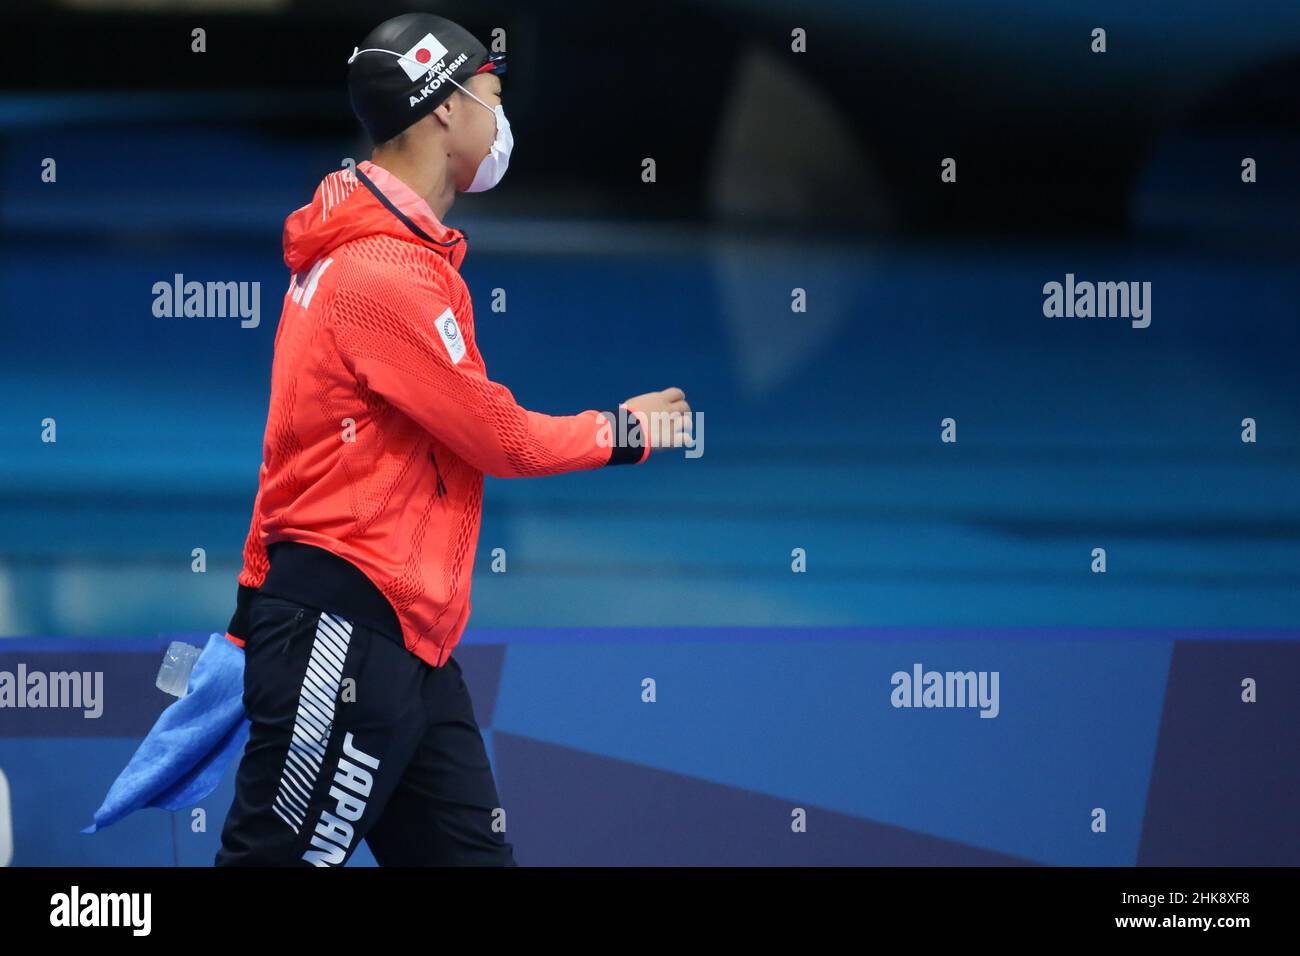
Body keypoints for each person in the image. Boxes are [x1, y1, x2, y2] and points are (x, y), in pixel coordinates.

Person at [214, 11, 690, 867]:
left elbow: (283, 453)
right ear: (443, 107)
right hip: (342, 634)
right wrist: (629, 430)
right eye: (494, 97)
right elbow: (500, 438)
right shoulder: (380, 275)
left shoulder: (375, 257)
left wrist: (250, 609)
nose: (503, 122)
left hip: (410, 649)